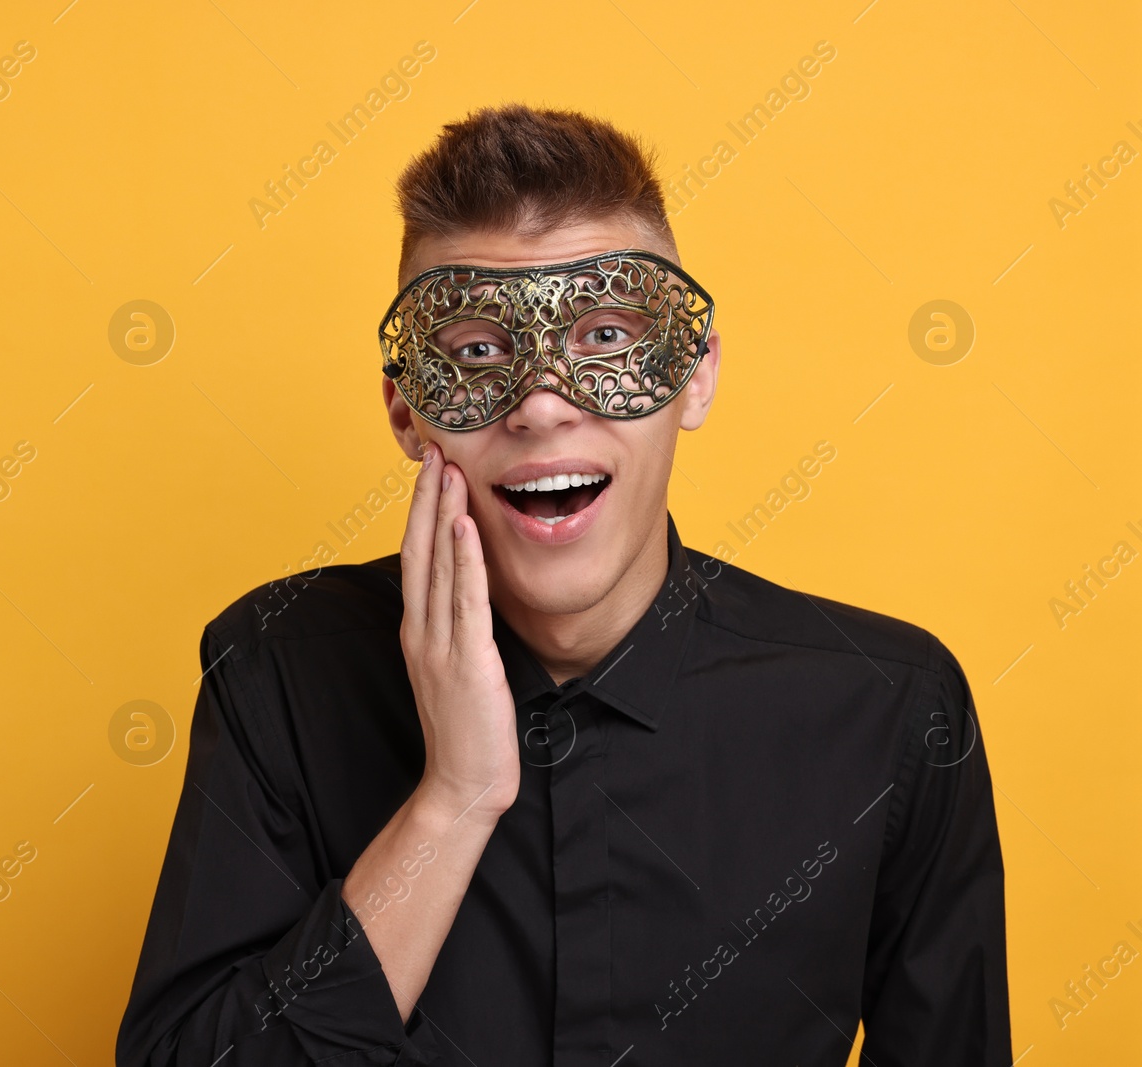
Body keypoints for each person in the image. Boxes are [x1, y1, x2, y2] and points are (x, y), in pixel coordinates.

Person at [115, 104, 1010, 1066]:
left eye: (605, 337)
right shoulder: (278, 676)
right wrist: (452, 801)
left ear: (695, 376)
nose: (542, 405)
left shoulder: (892, 711)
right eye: (477, 353)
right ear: (408, 412)